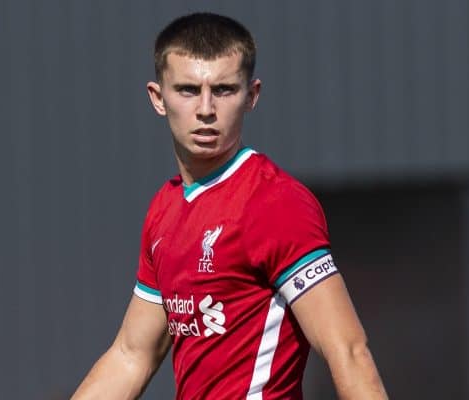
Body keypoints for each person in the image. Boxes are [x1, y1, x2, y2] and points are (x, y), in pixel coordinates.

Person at [72, 12, 388, 400]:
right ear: (158, 98)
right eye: (188, 90)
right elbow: (130, 356)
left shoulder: (275, 203)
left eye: (223, 90)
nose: (206, 108)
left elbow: (348, 351)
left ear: (251, 96)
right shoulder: (164, 209)